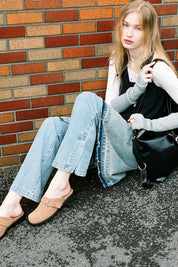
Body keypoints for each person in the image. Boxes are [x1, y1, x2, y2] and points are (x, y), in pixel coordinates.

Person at [0, 0, 178, 239]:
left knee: (86, 99)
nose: (128, 33)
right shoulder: (119, 58)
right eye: (126, 25)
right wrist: (135, 91)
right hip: (111, 141)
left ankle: (61, 183)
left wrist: (149, 124)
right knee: (52, 124)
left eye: (138, 28)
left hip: (133, 147)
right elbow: (109, 108)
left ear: (150, 31)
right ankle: (11, 204)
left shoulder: (157, 68)